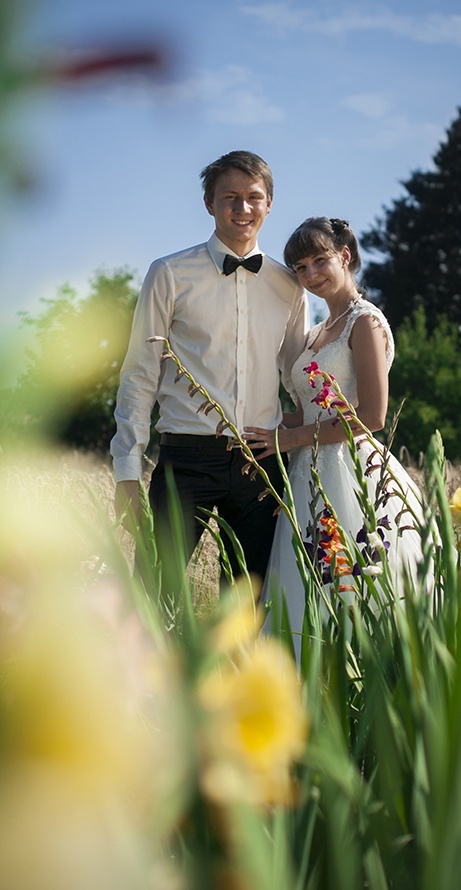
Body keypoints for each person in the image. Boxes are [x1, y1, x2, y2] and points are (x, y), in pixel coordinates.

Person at [110, 151, 309, 599]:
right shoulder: (169, 274)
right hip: (186, 460)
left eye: (253, 197)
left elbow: (299, 380)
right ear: (209, 203)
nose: (243, 209)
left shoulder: (289, 286)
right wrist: (127, 467)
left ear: (270, 203)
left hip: (262, 464)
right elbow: (140, 373)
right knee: (156, 595)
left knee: (246, 606)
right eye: (230, 198)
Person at [242, 217, 431, 652]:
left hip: (351, 471)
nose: (311, 275)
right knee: (309, 584)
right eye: (301, 268)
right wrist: (254, 420)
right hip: (306, 473)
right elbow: (306, 409)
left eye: (319, 261)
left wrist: (289, 439)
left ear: (344, 256)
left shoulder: (364, 322)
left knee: (360, 584)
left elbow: (372, 414)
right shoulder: (315, 333)